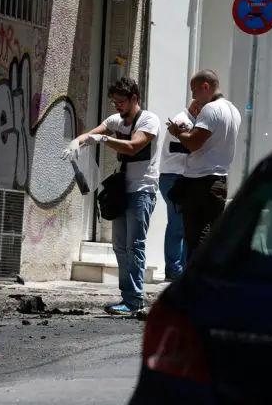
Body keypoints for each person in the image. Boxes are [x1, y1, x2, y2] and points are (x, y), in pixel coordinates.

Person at [62, 77, 160, 315]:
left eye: (121, 101)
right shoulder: (116, 120)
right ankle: (127, 298)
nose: (117, 106)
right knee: (119, 247)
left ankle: (135, 300)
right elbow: (91, 134)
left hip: (142, 190)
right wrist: (77, 142)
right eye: (114, 101)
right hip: (121, 191)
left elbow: (133, 146)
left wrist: (103, 139)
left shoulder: (149, 120)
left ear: (134, 98)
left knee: (134, 246)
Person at [166, 69, 241, 261]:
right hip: (219, 181)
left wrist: (177, 132)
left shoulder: (211, 109)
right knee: (211, 238)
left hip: (201, 182)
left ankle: (195, 285)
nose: (193, 96)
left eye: (194, 90)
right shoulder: (233, 110)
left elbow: (193, 143)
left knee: (197, 239)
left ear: (205, 86)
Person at [158, 100, 196, 281]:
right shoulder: (185, 122)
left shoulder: (188, 121)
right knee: (178, 225)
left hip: (177, 178)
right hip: (174, 179)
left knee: (184, 225)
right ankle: (174, 270)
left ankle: (180, 269)